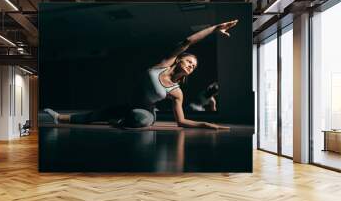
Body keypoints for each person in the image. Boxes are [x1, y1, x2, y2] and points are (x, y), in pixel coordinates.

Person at [45, 20, 238, 129]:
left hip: (144, 113)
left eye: (194, 66)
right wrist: (214, 28)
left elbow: (181, 121)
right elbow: (188, 41)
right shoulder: (164, 64)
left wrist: (205, 123)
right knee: (96, 115)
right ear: (179, 59)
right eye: (189, 61)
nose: (191, 66)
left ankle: (121, 122)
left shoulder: (177, 92)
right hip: (129, 105)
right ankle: (59, 117)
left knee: (139, 118)